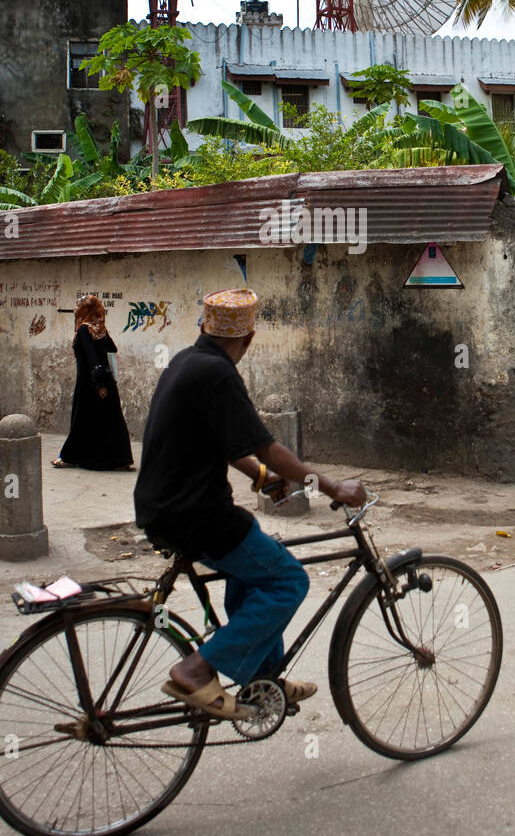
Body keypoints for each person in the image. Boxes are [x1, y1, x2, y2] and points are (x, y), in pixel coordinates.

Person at [134, 287, 366, 719]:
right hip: (196, 514)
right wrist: (333, 488)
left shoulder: (186, 362)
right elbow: (265, 446)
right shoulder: (218, 374)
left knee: (256, 561)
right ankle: (196, 669)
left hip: (163, 506)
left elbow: (228, 443)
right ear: (248, 339)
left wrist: (262, 479)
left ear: (203, 327)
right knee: (288, 581)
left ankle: (265, 679)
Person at [52, 295, 134, 471]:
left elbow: (91, 358)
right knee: (112, 420)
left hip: (89, 383)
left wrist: (98, 385)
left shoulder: (83, 330)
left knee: (81, 420)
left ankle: (69, 457)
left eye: (79, 308)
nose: (76, 311)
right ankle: (122, 459)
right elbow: (113, 348)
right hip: (106, 379)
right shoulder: (100, 329)